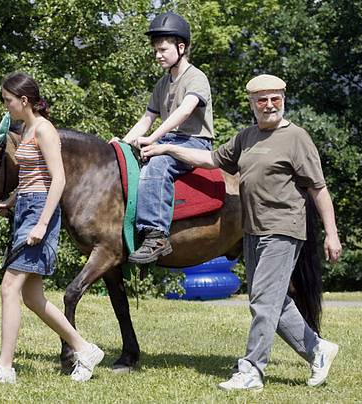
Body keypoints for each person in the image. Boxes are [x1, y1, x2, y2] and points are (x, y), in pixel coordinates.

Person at [141, 74, 342, 391]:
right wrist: (166, 148)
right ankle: (318, 349)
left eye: (275, 98)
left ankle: (251, 371)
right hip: (252, 229)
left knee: (263, 302)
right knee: (272, 300)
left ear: (283, 100)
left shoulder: (297, 138)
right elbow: (208, 159)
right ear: (252, 104)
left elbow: (318, 188)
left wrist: (331, 232)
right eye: (261, 99)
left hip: (284, 227)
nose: (269, 105)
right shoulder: (246, 137)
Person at [0, 72, 104, 384]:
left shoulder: (44, 130)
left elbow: (58, 178)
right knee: (32, 298)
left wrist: (42, 224)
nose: (5, 107)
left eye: (7, 101)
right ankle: (85, 349)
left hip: (39, 213)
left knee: (9, 287)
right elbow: (33, 176)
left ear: (24, 100)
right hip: (27, 208)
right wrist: (11, 201)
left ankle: (5, 368)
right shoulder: (28, 128)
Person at [117, 11, 214, 264]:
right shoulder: (162, 83)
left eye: (163, 49)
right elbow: (147, 118)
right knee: (126, 164)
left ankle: (156, 235)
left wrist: (154, 141)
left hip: (194, 142)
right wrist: (122, 144)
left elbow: (184, 111)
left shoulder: (196, 77)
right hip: (168, 139)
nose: (157, 55)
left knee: (157, 163)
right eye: (155, 51)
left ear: (181, 47)